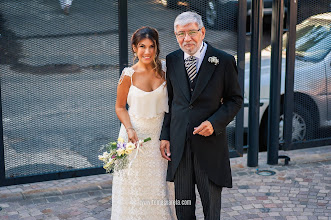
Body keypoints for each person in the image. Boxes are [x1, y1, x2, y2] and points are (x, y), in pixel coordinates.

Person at [160, 11, 243, 220]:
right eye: (180, 34)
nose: (186, 39)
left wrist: (214, 123)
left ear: (202, 32)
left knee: (211, 209)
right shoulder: (171, 60)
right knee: (183, 209)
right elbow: (170, 102)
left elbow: (235, 99)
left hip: (210, 147)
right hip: (180, 149)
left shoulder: (223, 61)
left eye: (191, 32)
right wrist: (165, 135)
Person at [111, 27, 176, 220]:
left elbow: (174, 103)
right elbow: (120, 107)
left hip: (159, 137)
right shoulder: (128, 75)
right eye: (142, 46)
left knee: (158, 186)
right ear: (134, 48)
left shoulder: (166, 70)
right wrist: (129, 129)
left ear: (156, 47)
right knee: (133, 187)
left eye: (151, 46)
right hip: (133, 138)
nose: (147, 52)